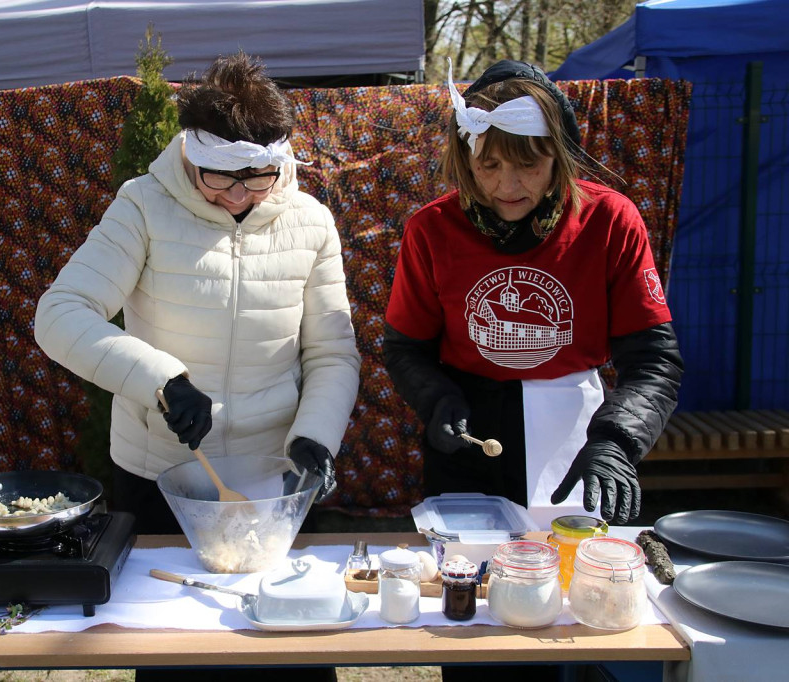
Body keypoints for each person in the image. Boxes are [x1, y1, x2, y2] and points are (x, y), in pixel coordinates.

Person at [35, 52, 358, 681]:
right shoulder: (144, 207)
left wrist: (316, 437)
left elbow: (331, 351)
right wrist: (159, 378)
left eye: (257, 179)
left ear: (280, 161)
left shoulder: (310, 221)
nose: (237, 196)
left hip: (272, 480)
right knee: (177, 653)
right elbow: (60, 314)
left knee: (286, 652)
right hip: (164, 476)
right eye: (218, 179)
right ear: (190, 154)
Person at [384, 60, 683, 532]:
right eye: (489, 165)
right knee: (467, 580)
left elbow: (653, 360)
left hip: (578, 435)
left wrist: (616, 440)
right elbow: (405, 347)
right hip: (471, 433)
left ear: (558, 156)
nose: (507, 185)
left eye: (529, 165)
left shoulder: (609, 220)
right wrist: (436, 399)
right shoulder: (433, 228)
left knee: (570, 580)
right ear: (466, 159)